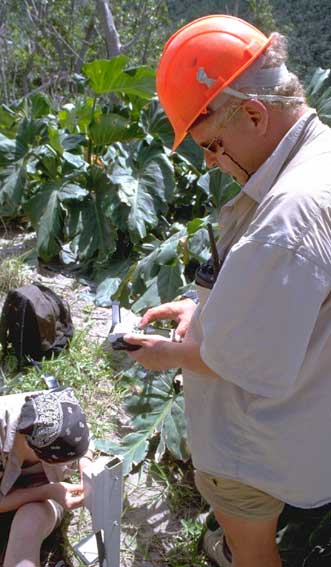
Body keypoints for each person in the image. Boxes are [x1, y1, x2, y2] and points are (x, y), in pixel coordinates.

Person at [122, 14, 331, 567]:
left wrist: (165, 353)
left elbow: (240, 358)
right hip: (310, 418)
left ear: (255, 113)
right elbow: (293, 306)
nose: (212, 162)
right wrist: (201, 308)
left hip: (255, 445)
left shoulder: (288, 216)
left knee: (254, 551)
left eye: (212, 145)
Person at [0, 387, 94, 567]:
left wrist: (86, 468)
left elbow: (86, 444)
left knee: (27, 530)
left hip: (41, 505)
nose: (68, 466)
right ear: (33, 449)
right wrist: (46, 491)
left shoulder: (62, 410)